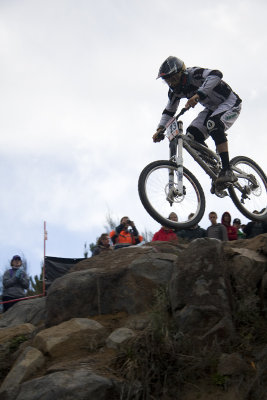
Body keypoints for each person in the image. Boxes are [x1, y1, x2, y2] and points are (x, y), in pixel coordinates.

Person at [153, 56, 242, 184]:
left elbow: (216, 74)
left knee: (213, 124)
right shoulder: (174, 92)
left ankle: (227, 169)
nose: (172, 83)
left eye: (174, 78)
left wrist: (199, 94)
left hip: (230, 103)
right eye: (168, 81)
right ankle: (215, 168)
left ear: (181, 73)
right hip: (212, 108)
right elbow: (169, 111)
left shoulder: (194, 74)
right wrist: (160, 129)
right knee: (191, 136)